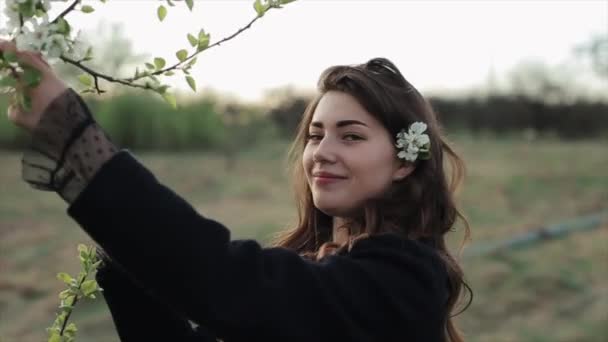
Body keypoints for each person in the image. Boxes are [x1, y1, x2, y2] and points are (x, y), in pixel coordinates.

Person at [2, 39, 472, 342]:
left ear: (405, 163)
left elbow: (226, 281)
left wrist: (74, 138)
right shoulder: (312, 262)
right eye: (315, 135)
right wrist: (125, 252)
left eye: (350, 136)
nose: (322, 152)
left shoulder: (402, 281)